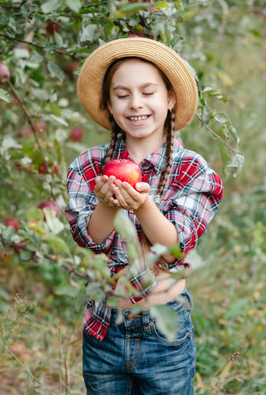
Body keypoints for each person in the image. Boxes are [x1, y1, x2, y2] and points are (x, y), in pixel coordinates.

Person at [65, 37, 223, 394]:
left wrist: (141, 204)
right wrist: (108, 203)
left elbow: (174, 250)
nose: (135, 104)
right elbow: (90, 240)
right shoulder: (89, 166)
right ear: (108, 104)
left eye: (148, 92)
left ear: (170, 99)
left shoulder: (193, 170)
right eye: (122, 95)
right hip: (104, 326)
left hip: (163, 331)